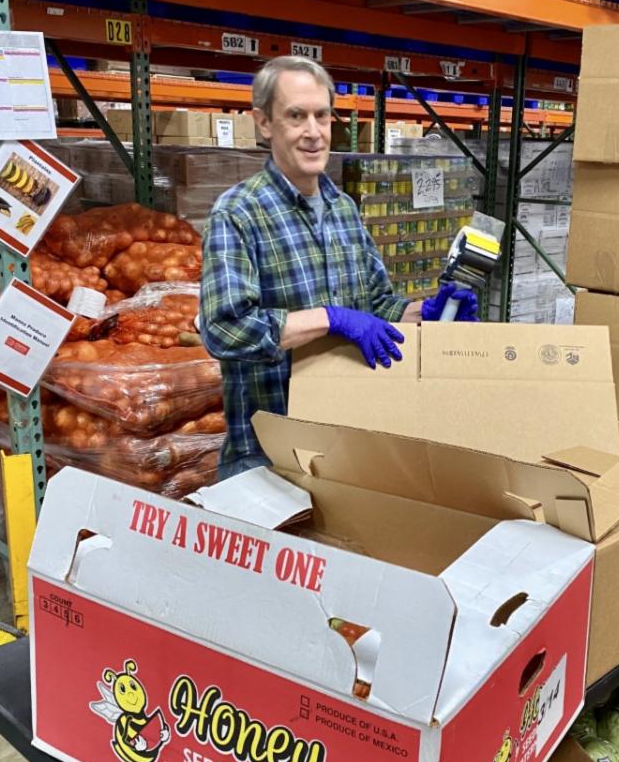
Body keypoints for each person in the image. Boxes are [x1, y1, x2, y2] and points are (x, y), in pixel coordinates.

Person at [201, 56, 479, 480]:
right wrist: (330, 319)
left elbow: (376, 305)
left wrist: (426, 312)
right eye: (296, 116)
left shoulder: (343, 209)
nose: (313, 132)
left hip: (344, 453)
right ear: (264, 123)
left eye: (321, 116)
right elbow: (224, 330)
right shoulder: (238, 213)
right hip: (269, 461)